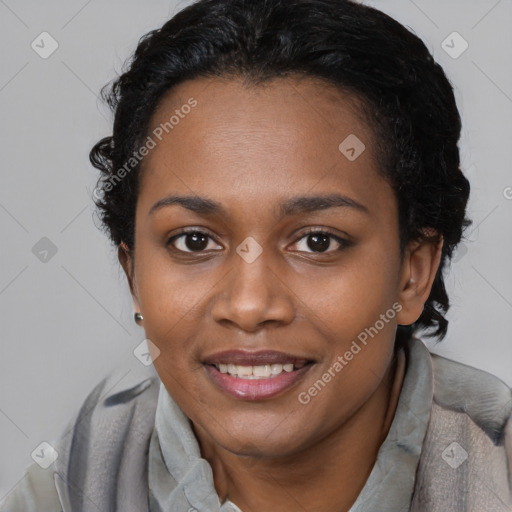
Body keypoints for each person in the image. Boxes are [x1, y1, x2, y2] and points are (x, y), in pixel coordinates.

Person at [2, 0, 511, 510]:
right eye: (194, 241)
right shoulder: (76, 483)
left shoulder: (496, 473)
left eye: (318, 241)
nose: (249, 305)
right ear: (133, 273)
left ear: (412, 273)